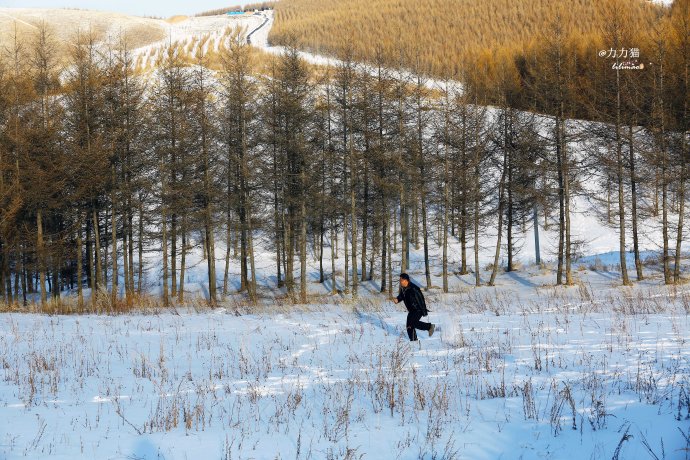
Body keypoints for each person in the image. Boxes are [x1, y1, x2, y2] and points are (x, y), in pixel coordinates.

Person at [393, 273, 435, 341]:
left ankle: (429, 327)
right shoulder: (403, 288)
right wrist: (398, 299)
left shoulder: (414, 288)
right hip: (411, 310)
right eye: (400, 280)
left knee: (413, 323)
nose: (400, 281)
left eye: (401, 280)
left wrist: (424, 311)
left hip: (418, 309)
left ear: (405, 280)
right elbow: (402, 296)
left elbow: (421, 299)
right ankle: (413, 341)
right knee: (409, 326)